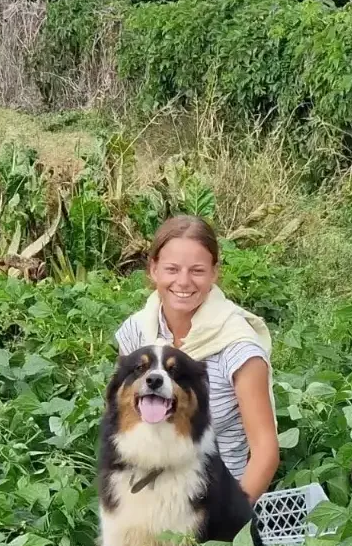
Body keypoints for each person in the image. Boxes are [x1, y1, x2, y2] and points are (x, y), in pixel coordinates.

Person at [114, 215, 280, 503]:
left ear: (215, 273)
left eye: (197, 270)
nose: (183, 281)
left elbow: (265, 454)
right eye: (172, 269)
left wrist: (228, 522)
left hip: (213, 497)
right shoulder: (137, 332)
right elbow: (122, 418)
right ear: (153, 269)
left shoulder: (237, 348)